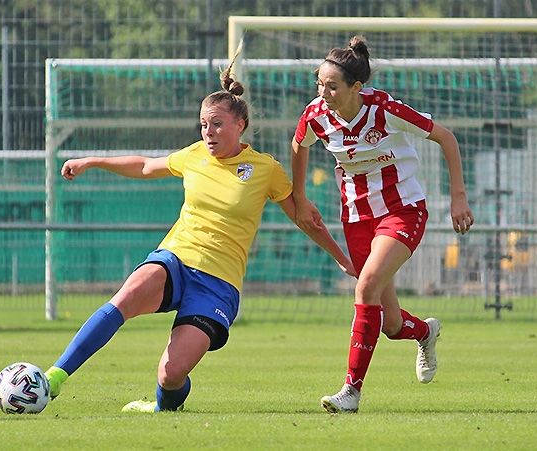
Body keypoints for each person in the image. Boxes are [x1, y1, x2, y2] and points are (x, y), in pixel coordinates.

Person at [43, 59, 356, 414]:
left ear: (240, 125)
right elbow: (146, 165)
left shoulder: (266, 170)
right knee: (127, 295)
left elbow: (304, 218)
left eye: (217, 124)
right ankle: (53, 378)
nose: (208, 131)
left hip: (218, 284)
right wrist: (92, 161)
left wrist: (341, 258)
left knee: (170, 375)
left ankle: (161, 408)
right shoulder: (194, 155)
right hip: (176, 258)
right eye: (204, 124)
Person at [291, 36, 474, 413]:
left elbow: (446, 138)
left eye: (331, 86)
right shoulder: (316, 115)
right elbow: (299, 145)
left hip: (403, 211)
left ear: (356, 88)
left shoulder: (383, 108)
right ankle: (425, 332)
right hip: (356, 218)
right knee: (390, 325)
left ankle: (351, 392)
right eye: (318, 83)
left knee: (367, 286)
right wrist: (300, 195)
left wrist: (458, 197)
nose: (322, 92)